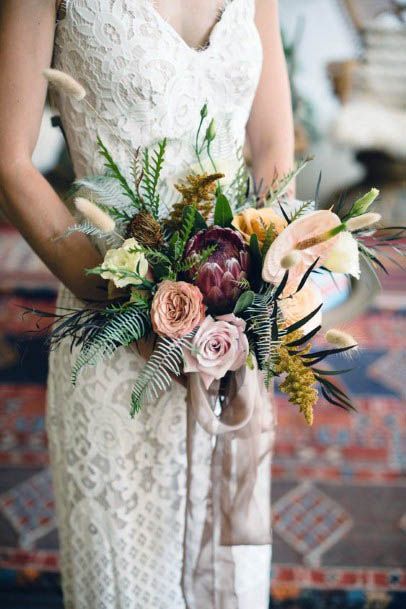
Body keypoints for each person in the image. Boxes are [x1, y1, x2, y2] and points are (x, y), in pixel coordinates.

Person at [0, 1, 294, 608]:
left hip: (230, 344)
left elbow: (271, 151)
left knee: (230, 583)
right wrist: (131, 302)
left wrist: (260, 287)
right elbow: (8, 162)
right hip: (115, 348)